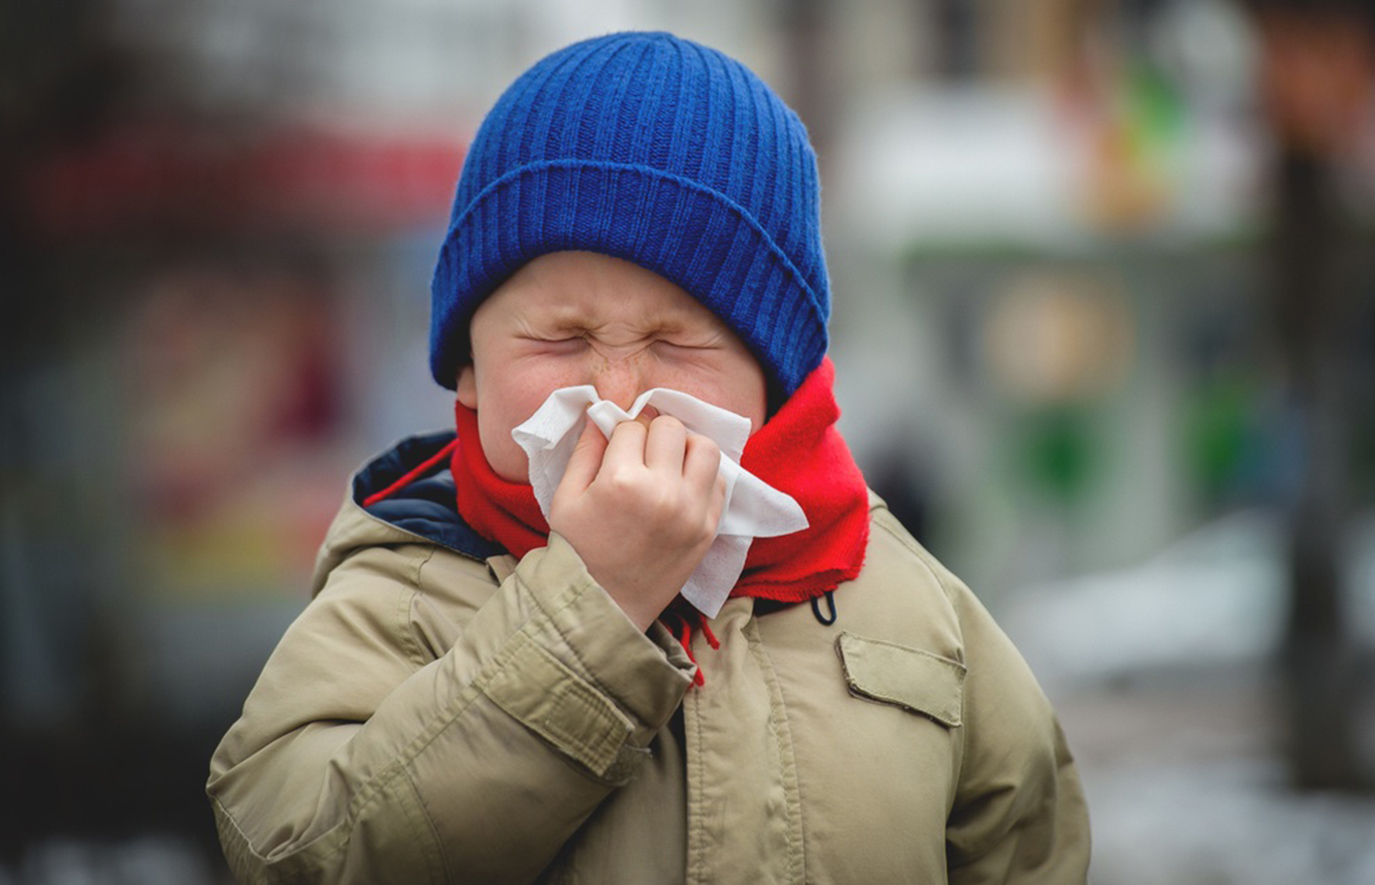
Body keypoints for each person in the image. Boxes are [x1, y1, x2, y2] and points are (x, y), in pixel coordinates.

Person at [207, 31, 1090, 884]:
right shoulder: (397, 596)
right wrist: (593, 607)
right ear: (469, 371)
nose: (620, 390)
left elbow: (1032, 847)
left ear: (775, 380)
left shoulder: (912, 608)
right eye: (563, 336)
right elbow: (296, 853)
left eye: (677, 340)